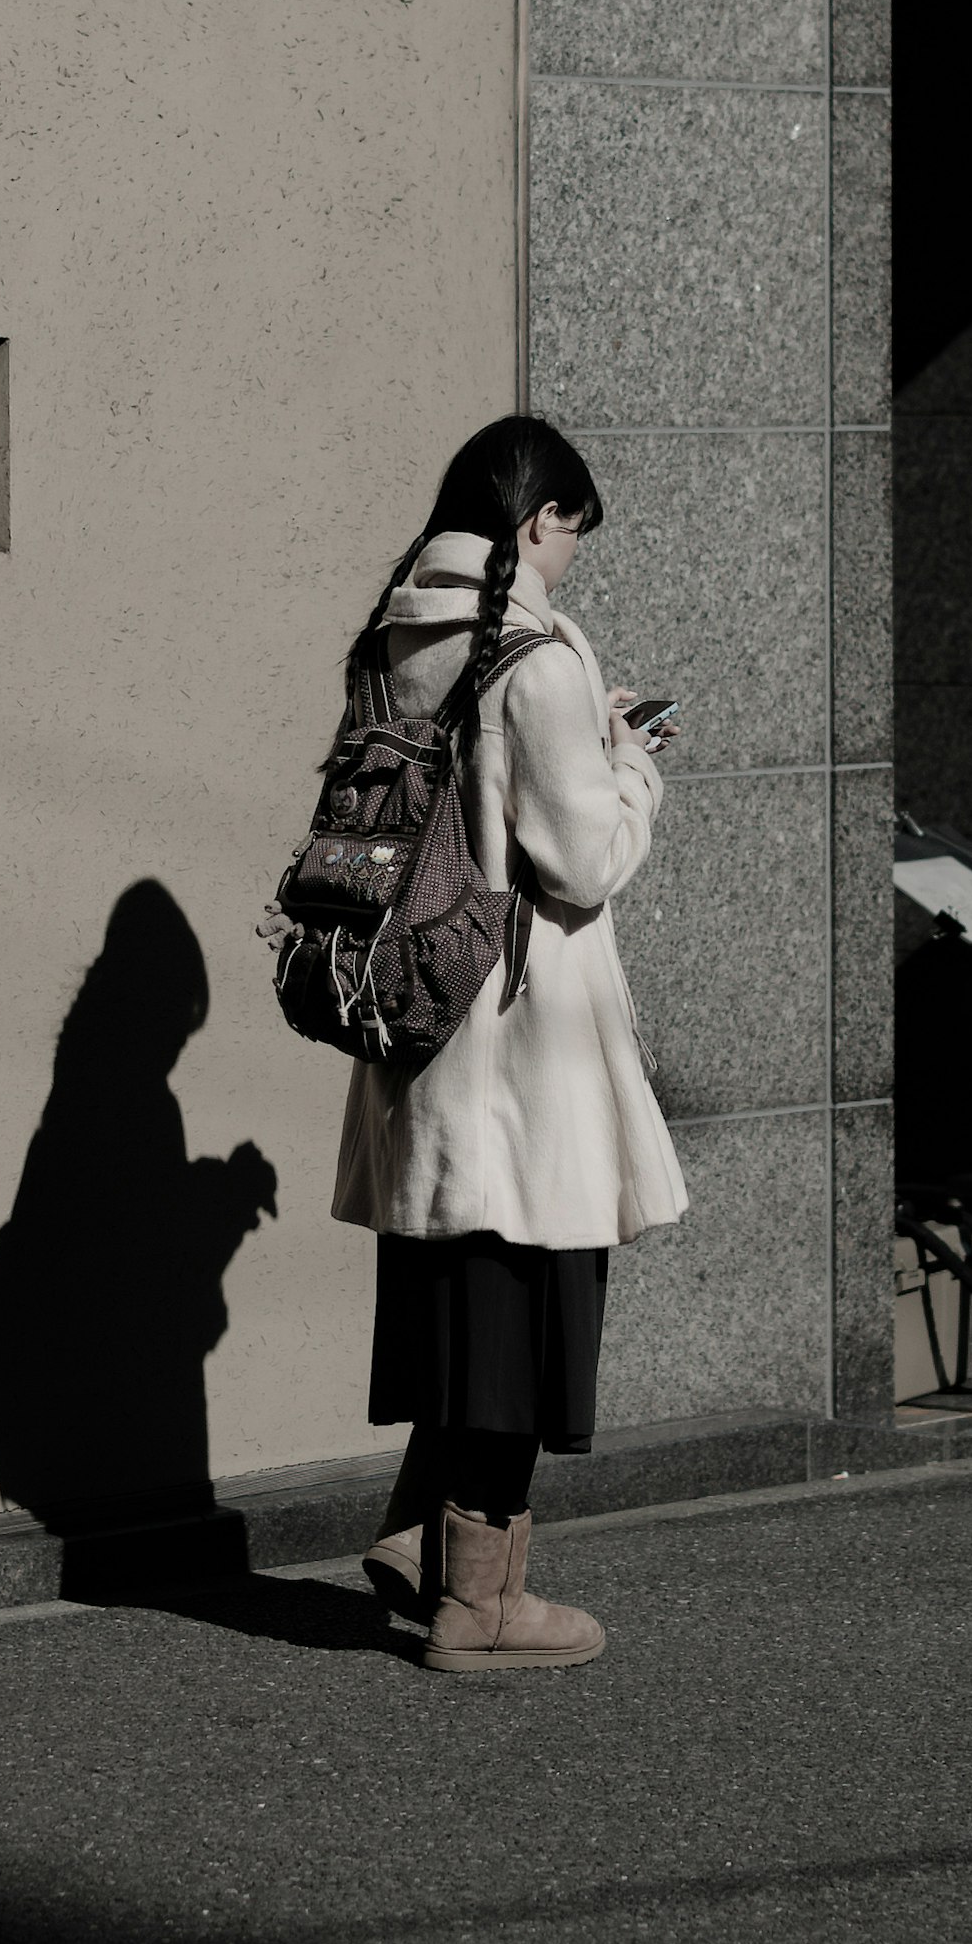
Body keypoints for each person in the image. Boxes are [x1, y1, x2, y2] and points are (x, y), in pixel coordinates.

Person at [330, 417, 685, 1672]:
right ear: (541, 522)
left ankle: (418, 1537)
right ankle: (480, 1607)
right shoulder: (533, 657)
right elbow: (580, 860)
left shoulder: (397, 634)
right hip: (521, 1038)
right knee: (523, 1315)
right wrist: (631, 766)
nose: (575, 557)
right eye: (573, 531)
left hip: (426, 1025)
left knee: (459, 1307)